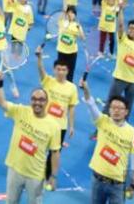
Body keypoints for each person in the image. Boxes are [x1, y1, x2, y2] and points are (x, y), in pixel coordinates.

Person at [0, 69, 60, 204]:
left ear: (47, 102)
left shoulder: (54, 125)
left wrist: (53, 176)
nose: (37, 103)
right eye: (34, 99)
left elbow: (55, 153)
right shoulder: (21, 111)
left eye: (41, 100)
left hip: (36, 176)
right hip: (14, 170)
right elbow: (2, 103)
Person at [79, 78, 134, 204]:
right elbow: (91, 104)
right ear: (109, 110)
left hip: (118, 185)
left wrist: (133, 184)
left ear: (126, 112)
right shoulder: (103, 122)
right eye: (113, 107)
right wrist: (86, 89)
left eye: (120, 108)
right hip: (97, 181)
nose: (116, 111)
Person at [34, 45, 78, 181]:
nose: (60, 72)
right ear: (54, 70)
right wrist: (39, 57)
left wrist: (71, 126)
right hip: (44, 122)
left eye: (63, 70)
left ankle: (47, 176)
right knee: (38, 149)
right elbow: (41, 70)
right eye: (58, 69)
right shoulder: (48, 81)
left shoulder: (72, 88)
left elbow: (71, 107)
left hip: (60, 127)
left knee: (54, 152)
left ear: (67, 71)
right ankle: (34, 172)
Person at [104, 17, 134, 113]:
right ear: (128, 29)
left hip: (133, 82)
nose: (133, 31)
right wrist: (121, 9)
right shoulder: (122, 39)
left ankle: (122, 127)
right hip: (120, 78)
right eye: (131, 28)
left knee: (127, 108)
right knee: (110, 104)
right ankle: (101, 127)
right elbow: (120, 25)